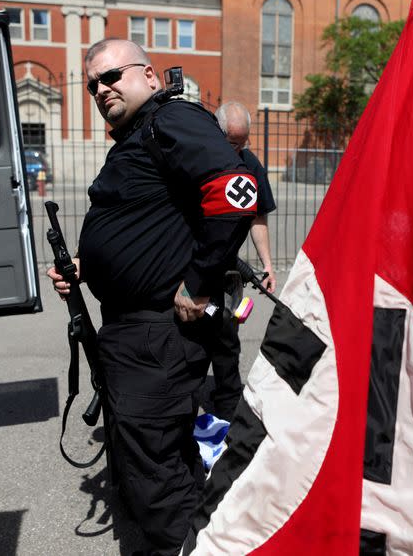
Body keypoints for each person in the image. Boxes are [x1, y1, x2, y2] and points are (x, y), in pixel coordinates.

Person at [47, 39, 257, 555]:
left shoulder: (172, 120)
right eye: (93, 83)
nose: (102, 88)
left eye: (112, 75)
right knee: (159, 458)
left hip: (155, 335)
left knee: (155, 478)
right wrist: (86, 266)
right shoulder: (138, 136)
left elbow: (236, 190)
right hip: (131, 333)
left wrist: (201, 280)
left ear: (150, 75)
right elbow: (149, 225)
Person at [207, 101, 277, 421]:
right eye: (232, 141)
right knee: (189, 337)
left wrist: (266, 265)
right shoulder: (201, 161)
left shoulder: (249, 164)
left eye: (243, 141)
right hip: (193, 268)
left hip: (230, 273)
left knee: (227, 337)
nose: (239, 148)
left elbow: (257, 217)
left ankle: (227, 404)